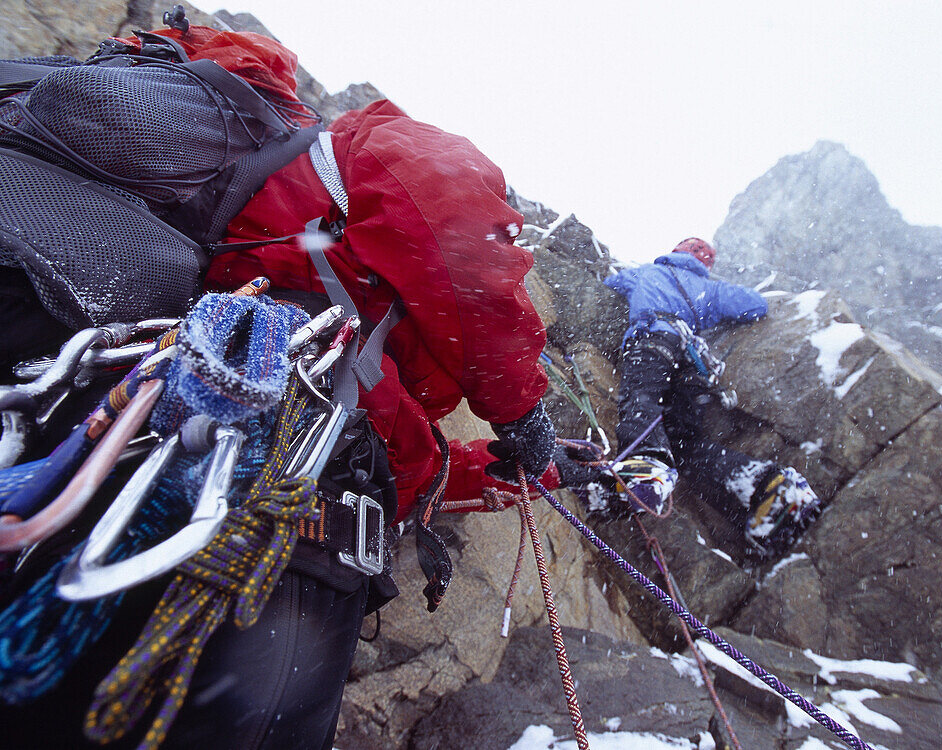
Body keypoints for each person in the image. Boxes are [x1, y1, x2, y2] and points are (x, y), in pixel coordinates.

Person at [0, 23, 568, 750]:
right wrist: (520, 408)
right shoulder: (355, 152)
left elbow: (396, 439)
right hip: (286, 505)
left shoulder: (265, 251)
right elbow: (455, 215)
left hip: (177, 444)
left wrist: (504, 465)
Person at [600, 237, 821, 560]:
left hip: (652, 342)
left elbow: (610, 284)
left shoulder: (647, 274)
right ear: (705, 264)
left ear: (676, 252)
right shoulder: (711, 290)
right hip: (691, 366)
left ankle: (641, 475)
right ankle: (769, 486)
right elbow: (755, 304)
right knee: (684, 446)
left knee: (641, 402)